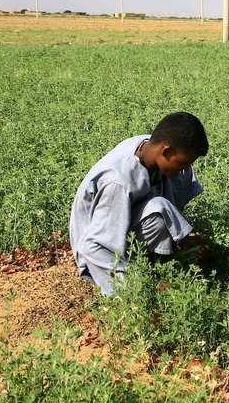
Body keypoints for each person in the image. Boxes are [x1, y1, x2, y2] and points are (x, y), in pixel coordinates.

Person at [70, 112, 212, 296]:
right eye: (184, 162)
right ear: (166, 151)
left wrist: (183, 238)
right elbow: (94, 248)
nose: (186, 168)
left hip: (126, 222)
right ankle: (138, 277)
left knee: (167, 198)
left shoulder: (149, 145)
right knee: (159, 212)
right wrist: (137, 288)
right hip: (95, 246)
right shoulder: (118, 182)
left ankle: (153, 263)